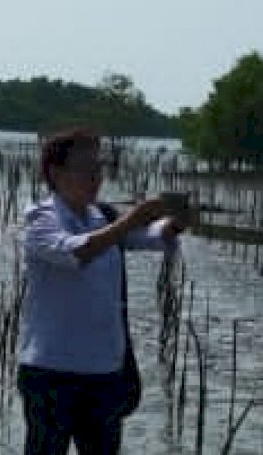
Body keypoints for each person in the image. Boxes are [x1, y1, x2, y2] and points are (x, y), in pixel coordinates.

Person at [17, 127, 191, 454]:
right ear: (56, 173)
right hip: (51, 373)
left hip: (104, 373)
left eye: (99, 168)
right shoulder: (41, 219)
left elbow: (154, 236)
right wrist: (133, 218)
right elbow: (75, 252)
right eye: (85, 168)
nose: (96, 177)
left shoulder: (104, 216)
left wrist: (176, 221)